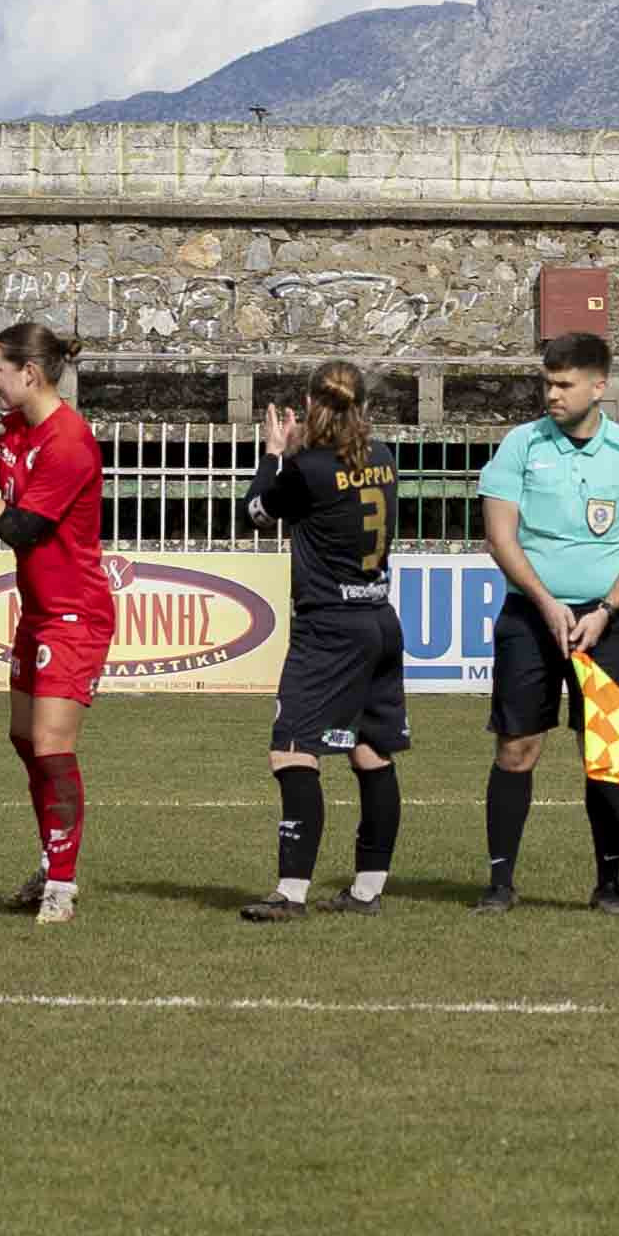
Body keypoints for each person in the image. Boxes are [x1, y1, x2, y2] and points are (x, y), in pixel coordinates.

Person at [473, 334, 619, 912]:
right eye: (547, 383)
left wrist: (605, 610)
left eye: (564, 384)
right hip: (530, 619)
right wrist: (546, 601)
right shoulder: (519, 445)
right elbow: (500, 536)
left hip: (605, 623)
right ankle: (500, 884)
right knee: (517, 749)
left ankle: (609, 885)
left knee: (608, 754)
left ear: (598, 386)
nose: (551, 394)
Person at [0, 319, 115, 923]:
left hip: (75, 614)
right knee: (24, 741)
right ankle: (50, 859)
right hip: (37, 612)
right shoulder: (14, 432)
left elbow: (21, 529)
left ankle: (61, 884)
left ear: (29, 373)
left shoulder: (68, 441)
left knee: (52, 745)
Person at [250, 359, 406, 923]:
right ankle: (367, 889)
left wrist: (275, 452)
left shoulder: (308, 468)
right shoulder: (384, 459)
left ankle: (291, 893)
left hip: (330, 626)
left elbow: (257, 510)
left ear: (312, 404)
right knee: (370, 752)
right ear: (363, 407)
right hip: (380, 620)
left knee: (292, 750)